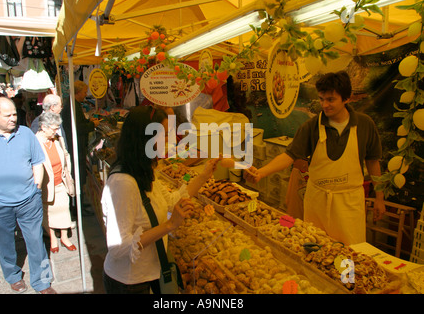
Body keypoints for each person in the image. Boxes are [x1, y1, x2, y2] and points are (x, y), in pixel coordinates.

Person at [244, 71, 386, 245]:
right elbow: (289, 155)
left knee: (351, 251)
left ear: (346, 99)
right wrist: (260, 172)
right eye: (321, 99)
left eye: (331, 100)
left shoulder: (365, 125)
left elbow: (372, 162)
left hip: (349, 202)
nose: (325, 105)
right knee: (314, 246)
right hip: (317, 199)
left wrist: (379, 198)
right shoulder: (312, 126)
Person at [101, 105, 219, 294]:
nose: (169, 139)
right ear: (144, 138)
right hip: (128, 282)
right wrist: (170, 225)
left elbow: (173, 200)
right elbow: (118, 247)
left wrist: (204, 175)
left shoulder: (145, 171)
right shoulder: (122, 182)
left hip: (150, 274)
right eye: (164, 134)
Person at [0, 97, 56, 294]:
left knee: (36, 240)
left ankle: (43, 281)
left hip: (29, 199)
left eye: (14, 114)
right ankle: (12, 275)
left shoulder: (26, 133)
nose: (13, 118)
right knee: (4, 243)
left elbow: (37, 162)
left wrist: (36, 188)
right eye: (8, 115)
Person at [35, 112, 76, 254]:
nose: (56, 131)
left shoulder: (57, 139)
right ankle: (52, 238)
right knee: (48, 213)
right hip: (47, 185)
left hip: (61, 182)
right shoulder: (35, 143)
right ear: (43, 127)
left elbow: (65, 155)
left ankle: (64, 237)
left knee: (64, 209)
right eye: (53, 128)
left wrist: (67, 172)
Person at [61, 81, 98, 210]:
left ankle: (79, 204)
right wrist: (93, 125)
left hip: (76, 145)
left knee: (80, 175)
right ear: (78, 92)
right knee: (78, 175)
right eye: (84, 92)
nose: (85, 94)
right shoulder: (73, 106)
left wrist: (88, 121)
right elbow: (78, 128)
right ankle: (77, 207)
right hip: (75, 146)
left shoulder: (73, 104)